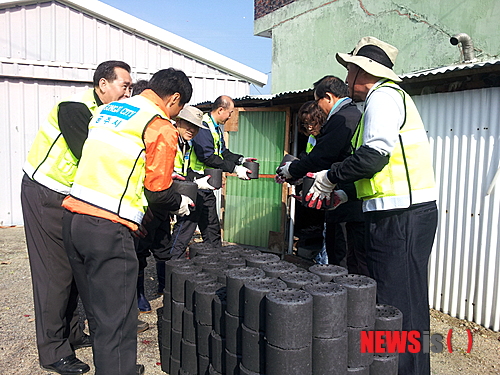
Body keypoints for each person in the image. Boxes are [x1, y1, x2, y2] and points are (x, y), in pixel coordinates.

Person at [306, 37, 438, 375]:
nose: (347, 79)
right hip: (399, 214)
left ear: (362, 72)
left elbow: (373, 157)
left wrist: (329, 178)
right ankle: (409, 368)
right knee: (405, 302)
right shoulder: (382, 102)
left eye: (349, 70)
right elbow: (379, 168)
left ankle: (405, 369)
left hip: (401, 218)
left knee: (398, 306)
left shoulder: (383, 97)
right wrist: (347, 193)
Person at [61, 68, 194, 375]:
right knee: (119, 320)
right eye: (178, 107)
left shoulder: (109, 111)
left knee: (98, 312)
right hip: (107, 228)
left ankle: (112, 366)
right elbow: (158, 191)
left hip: (73, 220)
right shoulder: (159, 125)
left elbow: (120, 163)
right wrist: (180, 202)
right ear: (174, 99)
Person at [20, 60, 132, 375]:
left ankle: (70, 334)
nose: (127, 93)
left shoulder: (104, 115)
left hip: (69, 198)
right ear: (103, 85)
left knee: (72, 268)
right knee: (54, 274)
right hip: (45, 193)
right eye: (124, 86)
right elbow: (90, 154)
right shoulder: (74, 108)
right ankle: (53, 351)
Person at [276, 77, 365, 271]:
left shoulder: (343, 117)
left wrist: (291, 170)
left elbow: (322, 157)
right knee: (336, 250)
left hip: (348, 200)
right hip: (342, 195)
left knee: (341, 257)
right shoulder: (348, 115)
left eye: (318, 102)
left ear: (328, 97)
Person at [135, 105, 213, 313]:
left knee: (163, 246)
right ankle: (138, 295)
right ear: (178, 121)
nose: (192, 130)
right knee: (141, 249)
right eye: (188, 125)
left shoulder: (185, 144)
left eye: (196, 128)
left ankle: (164, 285)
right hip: (150, 200)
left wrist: (195, 182)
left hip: (166, 201)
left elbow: (179, 173)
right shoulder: (167, 137)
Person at [175, 95, 255, 251]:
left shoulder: (216, 128)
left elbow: (222, 152)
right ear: (220, 110)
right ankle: (171, 263)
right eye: (230, 112)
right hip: (193, 184)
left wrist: (241, 160)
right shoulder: (203, 126)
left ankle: (213, 258)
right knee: (186, 227)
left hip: (205, 184)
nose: (230, 116)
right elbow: (208, 157)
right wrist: (234, 169)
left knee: (211, 224)